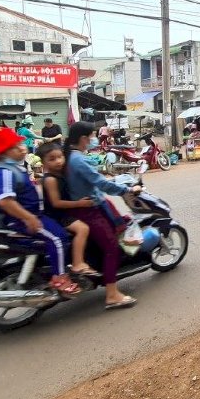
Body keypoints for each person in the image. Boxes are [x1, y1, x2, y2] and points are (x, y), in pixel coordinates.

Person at [0, 127, 80, 298]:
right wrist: (29, 218)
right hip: (23, 220)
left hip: (32, 216)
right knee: (58, 239)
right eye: (17, 146)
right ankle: (60, 279)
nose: (23, 148)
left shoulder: (13, 167)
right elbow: (5, 201)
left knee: (61, 233)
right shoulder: (4, 172)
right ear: (4, 152)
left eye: (21, 144)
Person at [64, 122, 142, 309]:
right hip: (89, 209)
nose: (93, 140)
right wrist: (128, 189)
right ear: (83, 138)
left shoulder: (69, 156)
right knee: (112, 247)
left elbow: (94, 179)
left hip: (80, 207)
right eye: (91, 136)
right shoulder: (77, 160)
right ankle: (112, 295)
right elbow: (100, 183)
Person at [37, 142, 98, 278]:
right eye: (52, 159)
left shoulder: (60, 174)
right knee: (83, 229)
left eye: (60, 157)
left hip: (63, 212)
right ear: (43, 163)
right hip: (57, 215)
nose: (58, 161)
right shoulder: (51, 180)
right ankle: (78, 263)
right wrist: (80, 203)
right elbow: (56, 203)